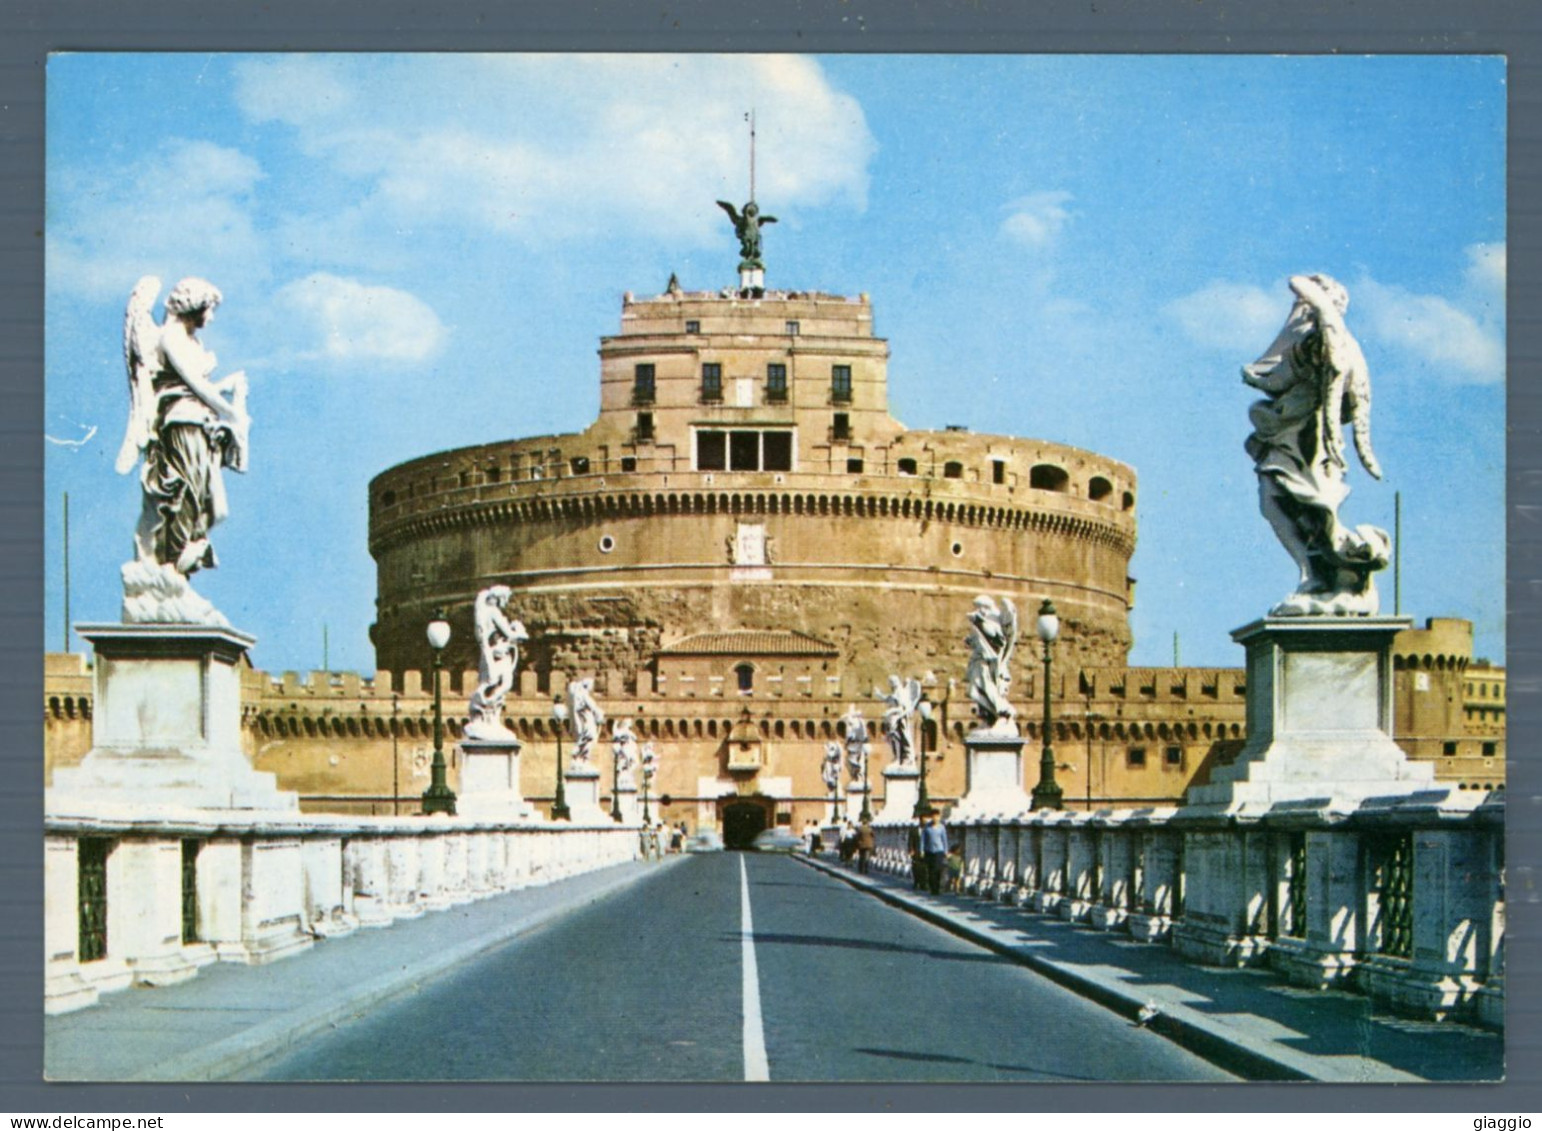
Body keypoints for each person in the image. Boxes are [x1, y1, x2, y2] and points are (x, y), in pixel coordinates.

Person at [1242, 273, 1388, 615]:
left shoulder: (1332, 340)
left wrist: (1313, 297)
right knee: (1273, 501)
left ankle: (1345, 567)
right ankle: (1314, 574)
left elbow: (1341, 392)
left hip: (1311, 442)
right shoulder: (1311, 339)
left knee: (1313, 506)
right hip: (1288, 436)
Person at [119, 275, 250, 579]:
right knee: (186, 497)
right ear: (195, 304)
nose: (211, 316)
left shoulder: (191, 340)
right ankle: (173, 564)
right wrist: (231, 412)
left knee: (216, 508)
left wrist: (227, 389)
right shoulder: (169, 338)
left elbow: (197, 388)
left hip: (201, 426)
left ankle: (182, 558)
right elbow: (195, 386)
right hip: (182, 426)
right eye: (210, 308)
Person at [919, 810, 949, 895]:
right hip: (929, 851)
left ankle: (938, 887)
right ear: (931, 817)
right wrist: (921, 850)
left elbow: (944, 840)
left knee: (938, 870)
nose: (935, 818)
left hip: (939, 851)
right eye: (934, 816)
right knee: (931, 871)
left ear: (939, 817)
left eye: (937, 816)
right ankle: (933, 889)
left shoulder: (941, 827)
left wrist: (946, 850)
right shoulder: (927, 827)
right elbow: (923, 840)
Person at [907, 817, 926, 890]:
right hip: (916, 851)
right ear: (920, 820)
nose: (924, 822)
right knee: (916, 867)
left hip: (925, 851)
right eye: (923, 820)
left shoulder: (928, 830)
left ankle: (923, 883)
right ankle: (916, 881)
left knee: (924, 868)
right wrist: (911, 850)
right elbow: (910, 841)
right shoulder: (914, 830)